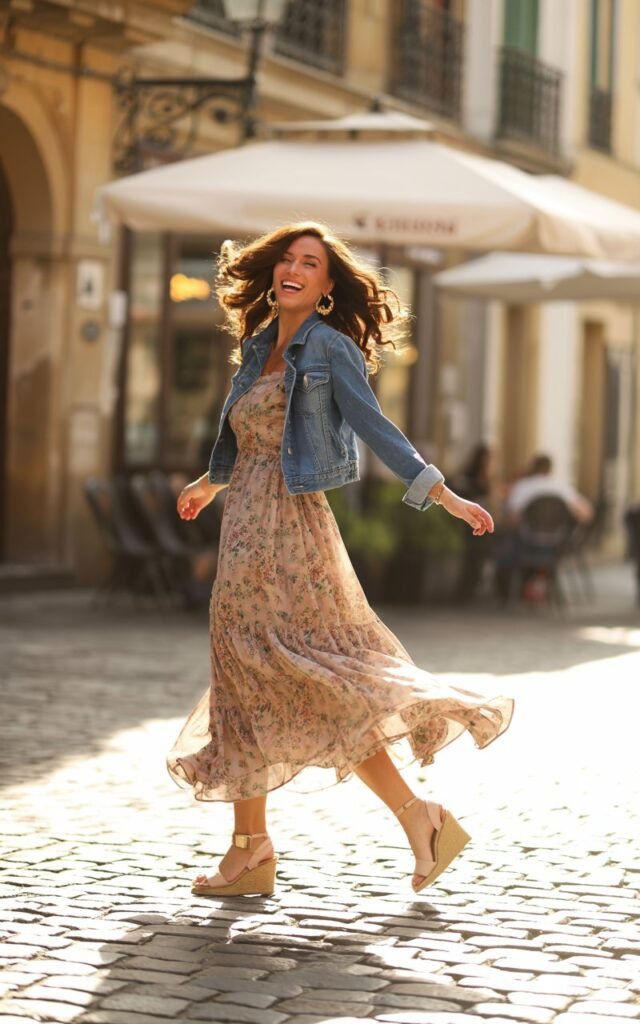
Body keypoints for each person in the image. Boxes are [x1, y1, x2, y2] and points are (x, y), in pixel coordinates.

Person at [167, 221, 514, 899]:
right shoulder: (259, 344)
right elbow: (246, 438)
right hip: (242, 535)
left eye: (309, 263)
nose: (293, 270)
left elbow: (376, 429)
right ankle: (249, 849)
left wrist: (442, 494)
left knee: (317, 680)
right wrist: (209, 485)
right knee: (240, 680)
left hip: (291, 535)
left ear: (327, 286)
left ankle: (418, 816)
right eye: (286, 260)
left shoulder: (330, 348)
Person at [495, 453, 593, 601]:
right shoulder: (560, 486)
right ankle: (540, 586)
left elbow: (512, 520)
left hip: (527, 543)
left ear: (532, 468)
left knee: (503, 551)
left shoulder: (523, 486)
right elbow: (586, 514)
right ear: (550, 469)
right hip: (556, 545)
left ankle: (511, 593)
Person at [452, 443, 497, 601]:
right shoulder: (470, 478)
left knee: (479, 555)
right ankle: (466, 591)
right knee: (473, 556)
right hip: (470, 522)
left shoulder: (485, 479)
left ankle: (471, 590)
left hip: (480, 522)